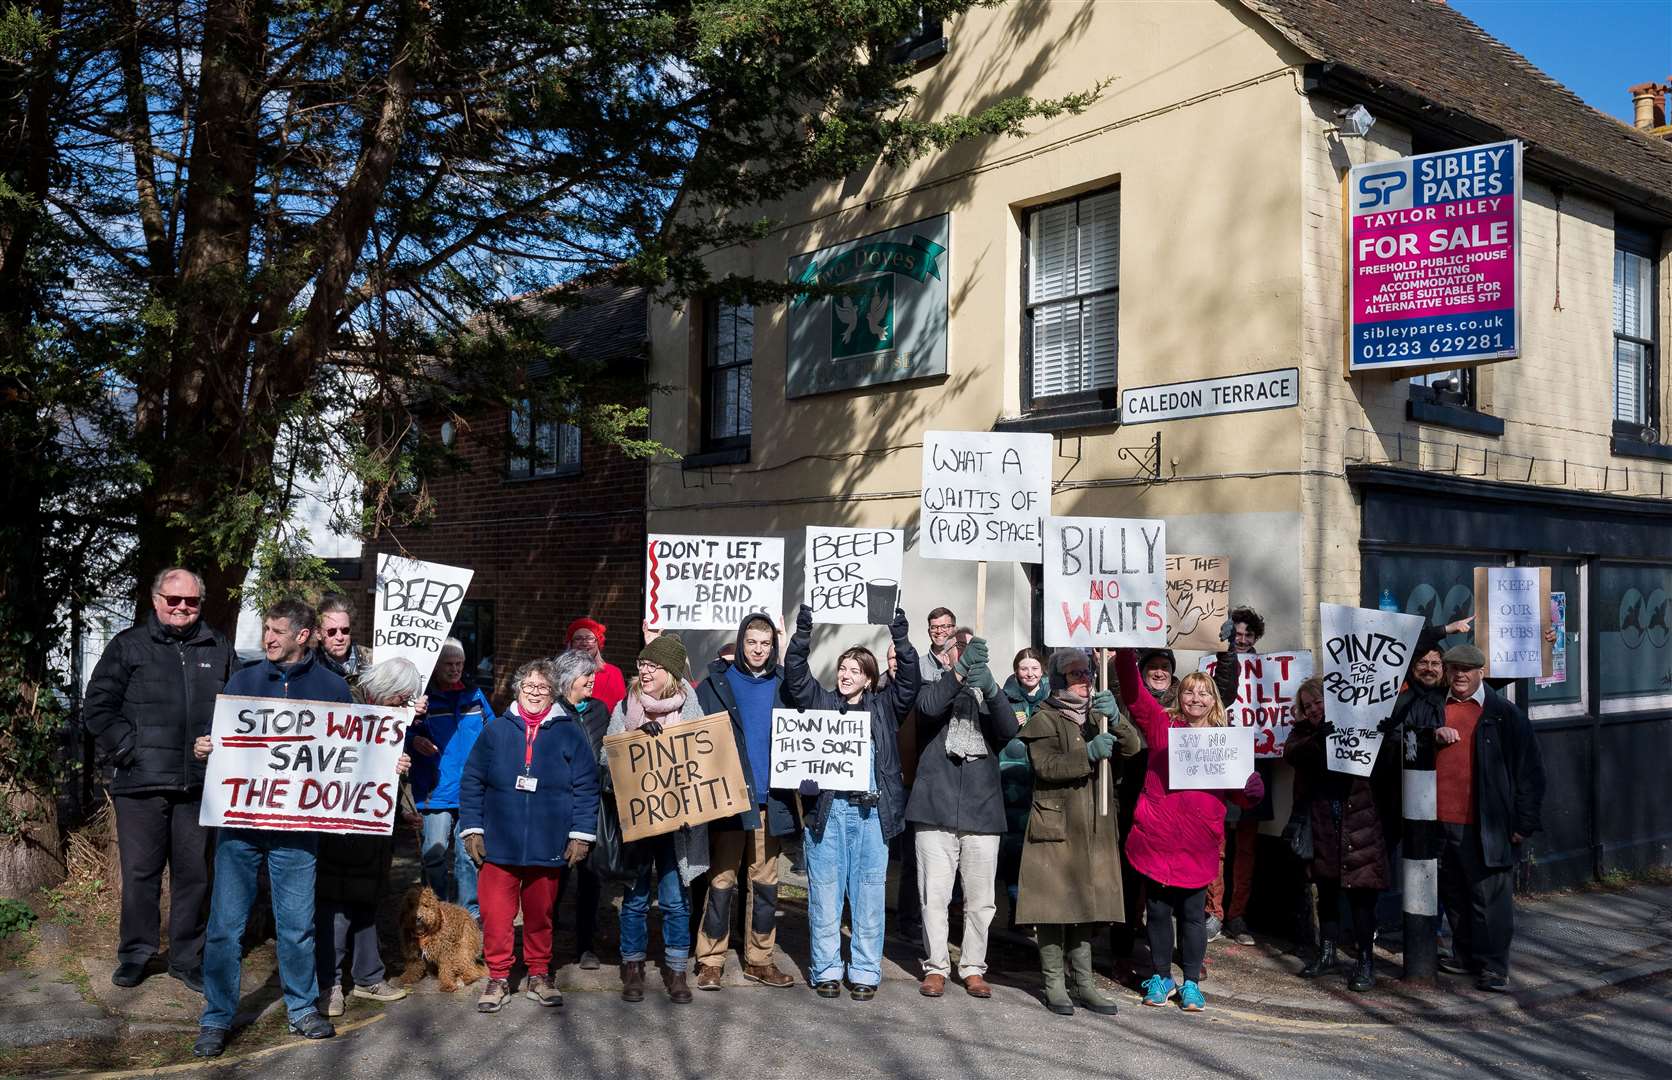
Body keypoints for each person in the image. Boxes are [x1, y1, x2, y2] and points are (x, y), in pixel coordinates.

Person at [193, 599, 352, 1058]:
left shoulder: (332, 688)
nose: (268, 638)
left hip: (297, 830)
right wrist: (206, 746)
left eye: (277, 631)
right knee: (225, 927)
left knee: (297, 925)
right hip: (240, 828)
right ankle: (216, 1018)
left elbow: (353, 753)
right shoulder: (242, 681)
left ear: (304, 636)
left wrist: (386, 765)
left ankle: (302, 1009)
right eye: (266, 629)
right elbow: (223, 740)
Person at [84, 567, 235, 993]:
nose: (182, 608)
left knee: (194, 876)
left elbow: (240, 708)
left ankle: (187, 958)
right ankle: (136, 953)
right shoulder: (129, 646)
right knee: (140, 873)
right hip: (141, 784)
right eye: (174, 600)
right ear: (156, 601)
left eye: (191, 601)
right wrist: (128, 749)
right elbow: (97, 708)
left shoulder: (218, 646)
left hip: (199, 785)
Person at [1116, 646, 1264, 1014]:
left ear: (1212, 700)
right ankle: (1162, 977)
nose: (1195, 697)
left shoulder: (1224, 740)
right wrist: (1124, 651)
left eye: (1203, 692)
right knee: (1158, 912)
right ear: (1179, 697)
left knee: (1193, 916)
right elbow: (1133, 691)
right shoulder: (1162, 724)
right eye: (1189, 691)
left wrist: (1251, 789)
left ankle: (1192, 983)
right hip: (1158, 837)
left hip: (1198, 842)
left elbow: (1241, 796)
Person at [785, 603, 918, 1000]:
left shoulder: (884, 707)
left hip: (871, 814)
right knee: (825, 893)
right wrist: (803, 634)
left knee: (869, 894)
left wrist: (900, 636)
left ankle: (864, 971)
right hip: (829, 812)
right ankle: (825, 968)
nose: (845, 675)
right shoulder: (821, 702)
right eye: (842, 669)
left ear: (869, 679)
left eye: (855, 671)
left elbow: (909, 682)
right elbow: (795, 677)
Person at [460, 658, 599, 1013]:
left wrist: (581, 835)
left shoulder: (568, 731)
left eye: (543, 688)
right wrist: (472, 828)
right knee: (495, 915)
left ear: (553, 693)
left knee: (540, 916)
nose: (535, 693)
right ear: (518, 689)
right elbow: (472, 780)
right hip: (498, 842)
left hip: (548, 841)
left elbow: (586, 786)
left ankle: (539, 974)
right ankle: (498, 977)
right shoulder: (496, 731)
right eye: (529, 686)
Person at [1015, 649, 1140, 1017]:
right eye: (1074, 675)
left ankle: (1085, 983)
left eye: (1087, 672)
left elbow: (1132, 748)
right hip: (1055, 822)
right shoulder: (1046, 716)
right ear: (1059, 680)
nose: (1084, 680)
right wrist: (1086, 753)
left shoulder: (1100, 713)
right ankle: (1054, 983)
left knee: (1087, 905)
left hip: (1095, 824)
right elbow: (1045, 766)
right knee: (1052, 907)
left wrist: (1115, 720)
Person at [904, 627, 1017, 999]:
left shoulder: (990, 694)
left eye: (970, 650)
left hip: (982, 813)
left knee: (981, 901)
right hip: (935, 807)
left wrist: (994, 691)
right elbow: (928, 708)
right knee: (933, 896)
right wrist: (957, 675)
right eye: (958, 649)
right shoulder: (933, 686)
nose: (964, 654)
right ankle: (936, 966)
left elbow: (1008, 730)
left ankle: (972, 967)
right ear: (948, 653)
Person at [601, 633, 710, 1004]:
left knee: (675, 899)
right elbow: (606, 758)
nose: (644, 671)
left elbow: (705, 760)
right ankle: (632, 968)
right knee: (634, 898)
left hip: (678, 826)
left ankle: (676, 970)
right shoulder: (625, 706)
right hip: (638, 822)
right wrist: (634, 738)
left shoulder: (692, 707)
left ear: (671, 672)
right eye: (642, 664)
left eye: (653, 666)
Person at [692, 614, 799, 991]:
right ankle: (710, 960)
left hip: (771, 800)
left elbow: (812, 694)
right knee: (721, 880)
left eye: (765, 643)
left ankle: (759, 959)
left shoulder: (785, 684)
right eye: (752, 642)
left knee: (765, 883)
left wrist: (789, 649)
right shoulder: (716, 684)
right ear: (741, 642)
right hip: (729, 800)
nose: (758, 649)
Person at [1432, 643, 1545, 992]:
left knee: (1489, 899)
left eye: (1467, 669)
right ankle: (1464, 955)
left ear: (1481, 672)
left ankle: (1494, 966)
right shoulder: (1435, 708)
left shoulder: (1504, 714)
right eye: (1453, 669)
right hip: (1440, 820)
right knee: (1454, 894)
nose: (1460, 675)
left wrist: (1523, 823)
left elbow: (1530, 773)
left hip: (1486, 823)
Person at [315, 659, 419, 1016]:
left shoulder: (387, 716)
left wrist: (401, 786)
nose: (403, 706)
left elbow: (386, 766)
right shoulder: (347, 703)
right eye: (400, 699)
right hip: (342, 822)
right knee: (337, 903)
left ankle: (367, 976)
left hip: (375, 823)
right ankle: (328, 984)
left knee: (367, 900)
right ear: (384, 690)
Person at [1283, 675, 1398, 991]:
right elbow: (1292, 754)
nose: (1315, 709)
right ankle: (1328, 953)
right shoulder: (1304, 732)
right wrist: (1319, 737)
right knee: (1328, 894)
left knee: (1363, 898)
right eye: (1308, 706)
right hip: (1324, 822)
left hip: (1360, 821)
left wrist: (1386, 738)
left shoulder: (1361, 723)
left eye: (1319, 702)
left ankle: (1365, 961)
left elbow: (1386, 767)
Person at [410, 638, 493, 921]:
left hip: (471, 789)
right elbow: (399, 732)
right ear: (436, 666)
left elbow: (494, 732)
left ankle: (468, 916)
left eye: (459, 663)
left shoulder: (475, 695)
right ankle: (438, 910)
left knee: (468, 856)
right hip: (436, 789)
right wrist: (414, 739)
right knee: (433, 852)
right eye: (449, 664)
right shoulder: (422, 700)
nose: (455, 669)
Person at [548, 645, 614, 971]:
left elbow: (612, 747)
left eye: (592, 675)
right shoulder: (551, 713)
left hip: (592, 806)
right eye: (586, 676)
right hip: (559, 807)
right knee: (555, 877)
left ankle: (585, 945)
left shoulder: (601, 710)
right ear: (568, 678)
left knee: (591, 878)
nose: (592, 681)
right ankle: (545, 941)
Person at [1208, 606, 1267, 947]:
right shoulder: (1217, 666)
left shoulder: (1272, 670)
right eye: (1236, 634)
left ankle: (1237, 915)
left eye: (1247, 635)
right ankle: (1213, 910)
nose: (1241, 640)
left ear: (1256, 637)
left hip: (1257, 764)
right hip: (1223, 761)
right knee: (1217, 842)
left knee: (1247, 846)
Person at [998, 648, 1049, 928]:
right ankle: (1016, 907)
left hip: (1042, 783)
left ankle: (1039, 908)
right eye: (1024, 668)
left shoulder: (1052, 700)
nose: (1029, 674)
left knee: (1041, 850)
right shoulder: (1005, 699)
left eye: (1034, 668)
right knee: (1013, 850)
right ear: (1016, 671)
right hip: (1011, 783)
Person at [567, 617, 627, 714]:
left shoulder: (614, 673)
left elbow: (621, 711)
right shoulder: (560, 672)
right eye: (578, 638)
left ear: (598, 643)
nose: (584, 643)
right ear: (571, 643)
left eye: (590, 638)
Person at [315, 594, 372, 684]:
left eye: (345, 630)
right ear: (318, 634)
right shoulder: (310, 665)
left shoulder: (372, 660)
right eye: (332, 632)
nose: (340, 637)